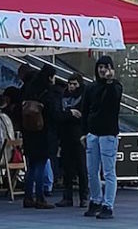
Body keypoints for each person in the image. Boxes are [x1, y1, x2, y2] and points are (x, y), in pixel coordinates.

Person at [81, 55, 122, 220]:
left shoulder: (116, 86)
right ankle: (95, 200)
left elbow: (114, 100)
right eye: (100, 67)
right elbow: (85, 110)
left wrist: (110, 82)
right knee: (92, 171)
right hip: (93, 133)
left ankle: (108, 205)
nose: (103, 70)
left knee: (108, 171)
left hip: (108, 134)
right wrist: (84, 132)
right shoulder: (91, 88)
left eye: (106, 67)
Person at [22, 64, 60, 210]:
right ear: (50, 77)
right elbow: (53, 113)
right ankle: (40, 197)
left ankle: (28, 197)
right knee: (40, 164)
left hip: (28, 131)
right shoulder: (48, 92)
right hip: (43, 132)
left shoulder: (28, 88)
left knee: (31, 165)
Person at [56, 73, 89, 208]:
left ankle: (84, 197)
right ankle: (67, 197)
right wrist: (70, 113)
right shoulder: (63, 96)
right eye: (70, 83)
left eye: (75, 84)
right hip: (66, 136)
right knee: (67, 168)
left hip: (79, 136)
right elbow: (59, 116)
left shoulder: (84, 96)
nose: (71, 86)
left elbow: (82, 115)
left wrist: (70, 114)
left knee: (81, 168)